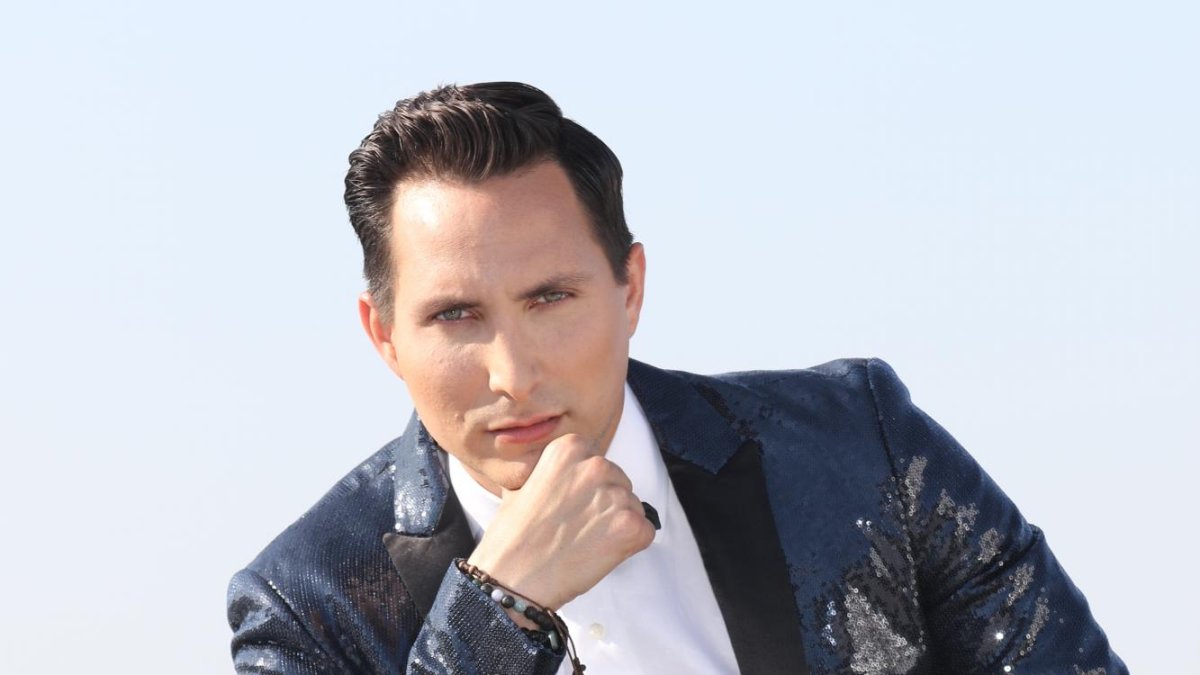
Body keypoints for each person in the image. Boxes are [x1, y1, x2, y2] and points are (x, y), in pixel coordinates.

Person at [226, 81, 1125, 674]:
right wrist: (495, 613)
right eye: (456, 315)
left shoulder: (861, 449)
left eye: (550, 297)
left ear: (631, 288)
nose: (514, 373)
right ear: (384, 336)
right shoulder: (309, 602)